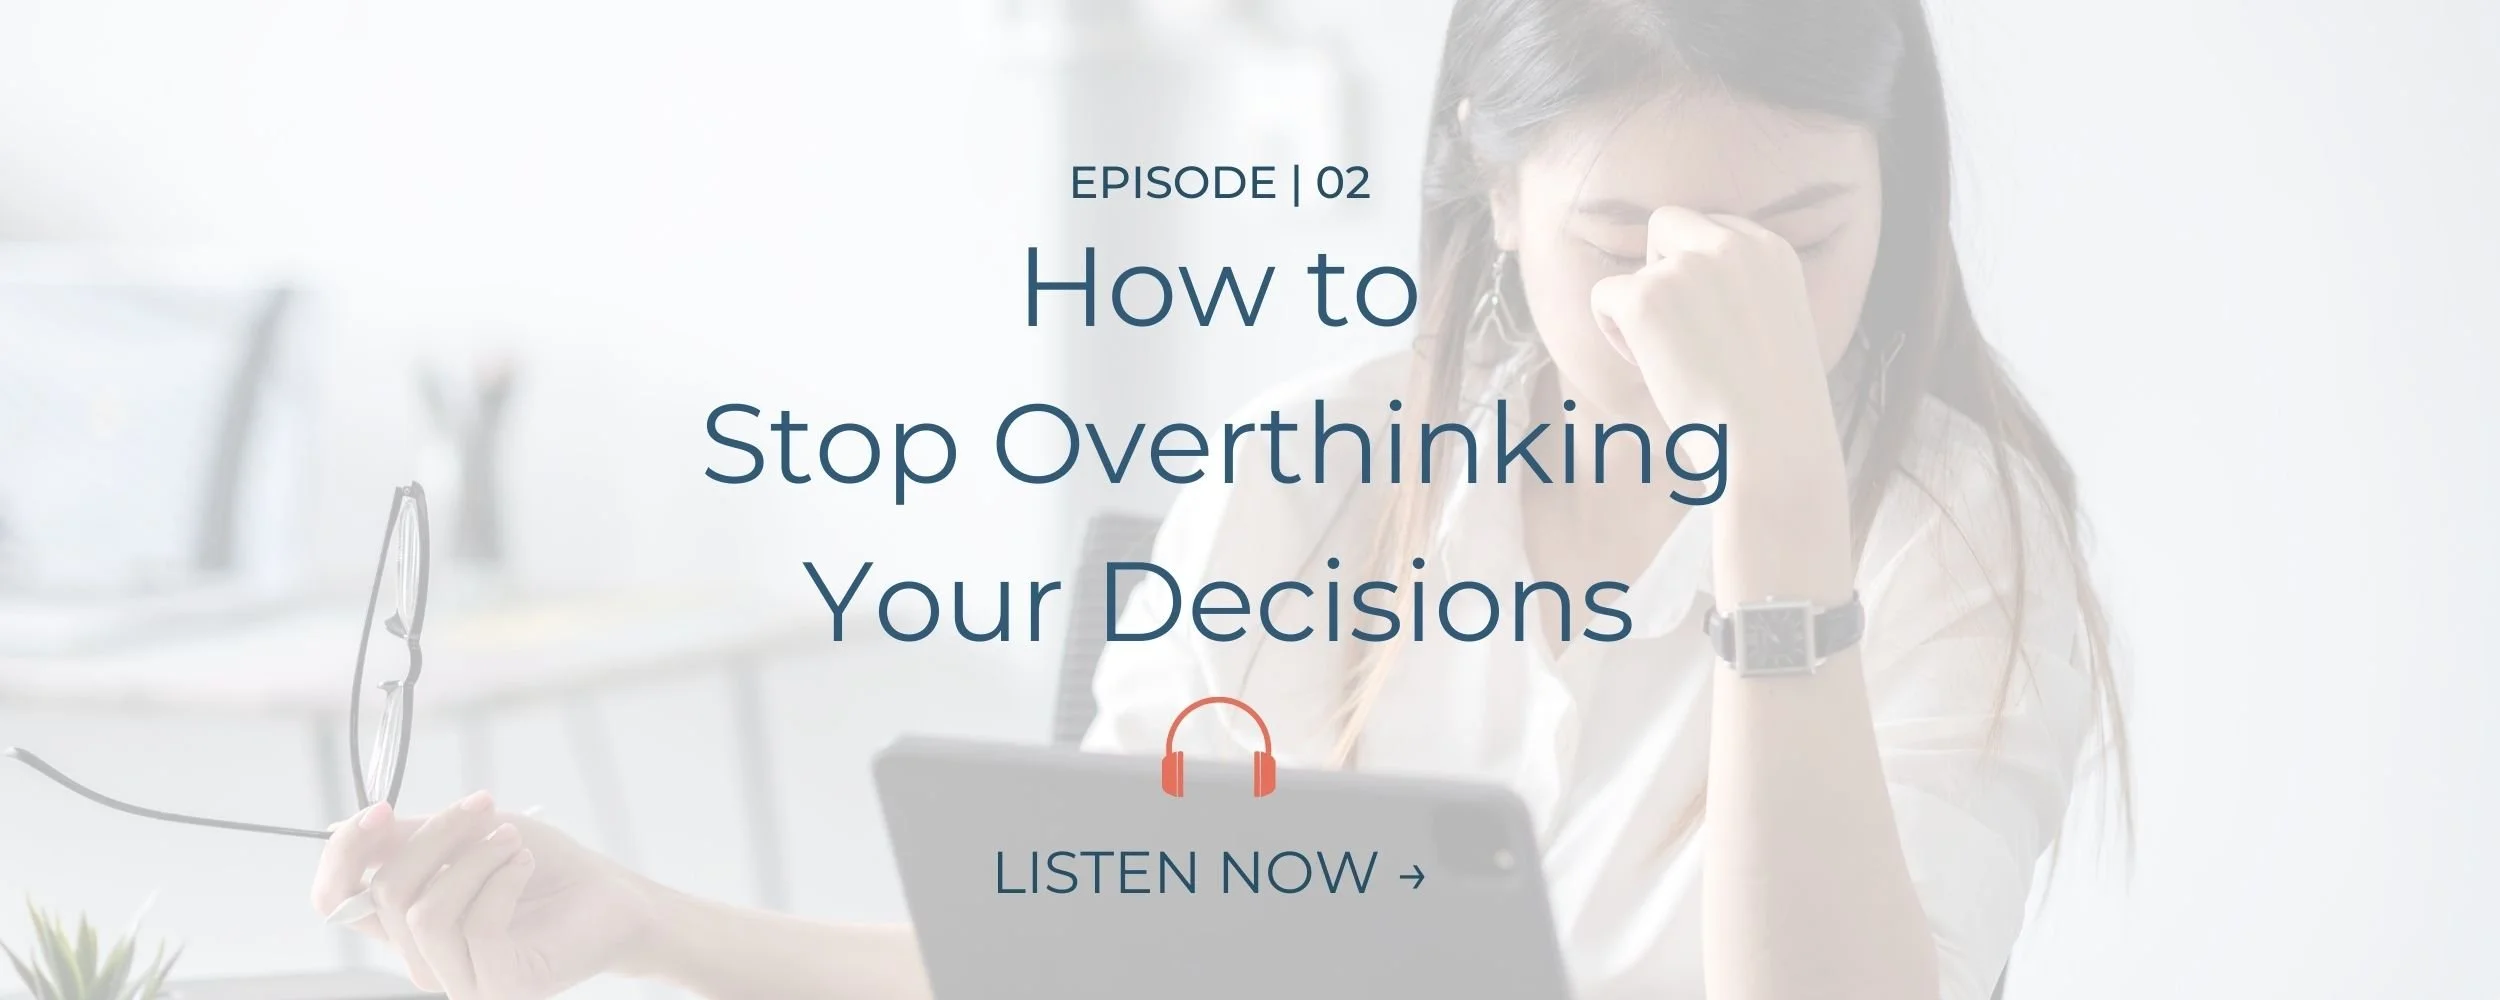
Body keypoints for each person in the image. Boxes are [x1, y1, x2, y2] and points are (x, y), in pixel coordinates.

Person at [309, 1, 2127, 997]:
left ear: (1901, 206)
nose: (1698, 310)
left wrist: (1779, 519)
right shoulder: (1303, 474)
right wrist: (645, 925)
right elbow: (1083, 957)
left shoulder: (1962, 551)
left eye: (1796, 238)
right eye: (1619, 242)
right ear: (1490, 200)